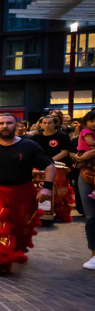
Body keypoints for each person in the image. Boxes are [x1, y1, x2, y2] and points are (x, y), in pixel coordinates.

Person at [0, 113, 54, 275]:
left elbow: (49, 166)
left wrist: (47, 187)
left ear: (17, 126)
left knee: (18, 229)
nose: (5, 126)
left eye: (9, 123)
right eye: (1, 123)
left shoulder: (29, 146)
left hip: (21, 193)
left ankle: (12, 251)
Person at [74, 110, 95, 269]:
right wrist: (81, 158)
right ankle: (94, 255)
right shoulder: (86, 133)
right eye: (91, 120)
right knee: (91, 216)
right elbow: (74, 154)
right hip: (87, 173)